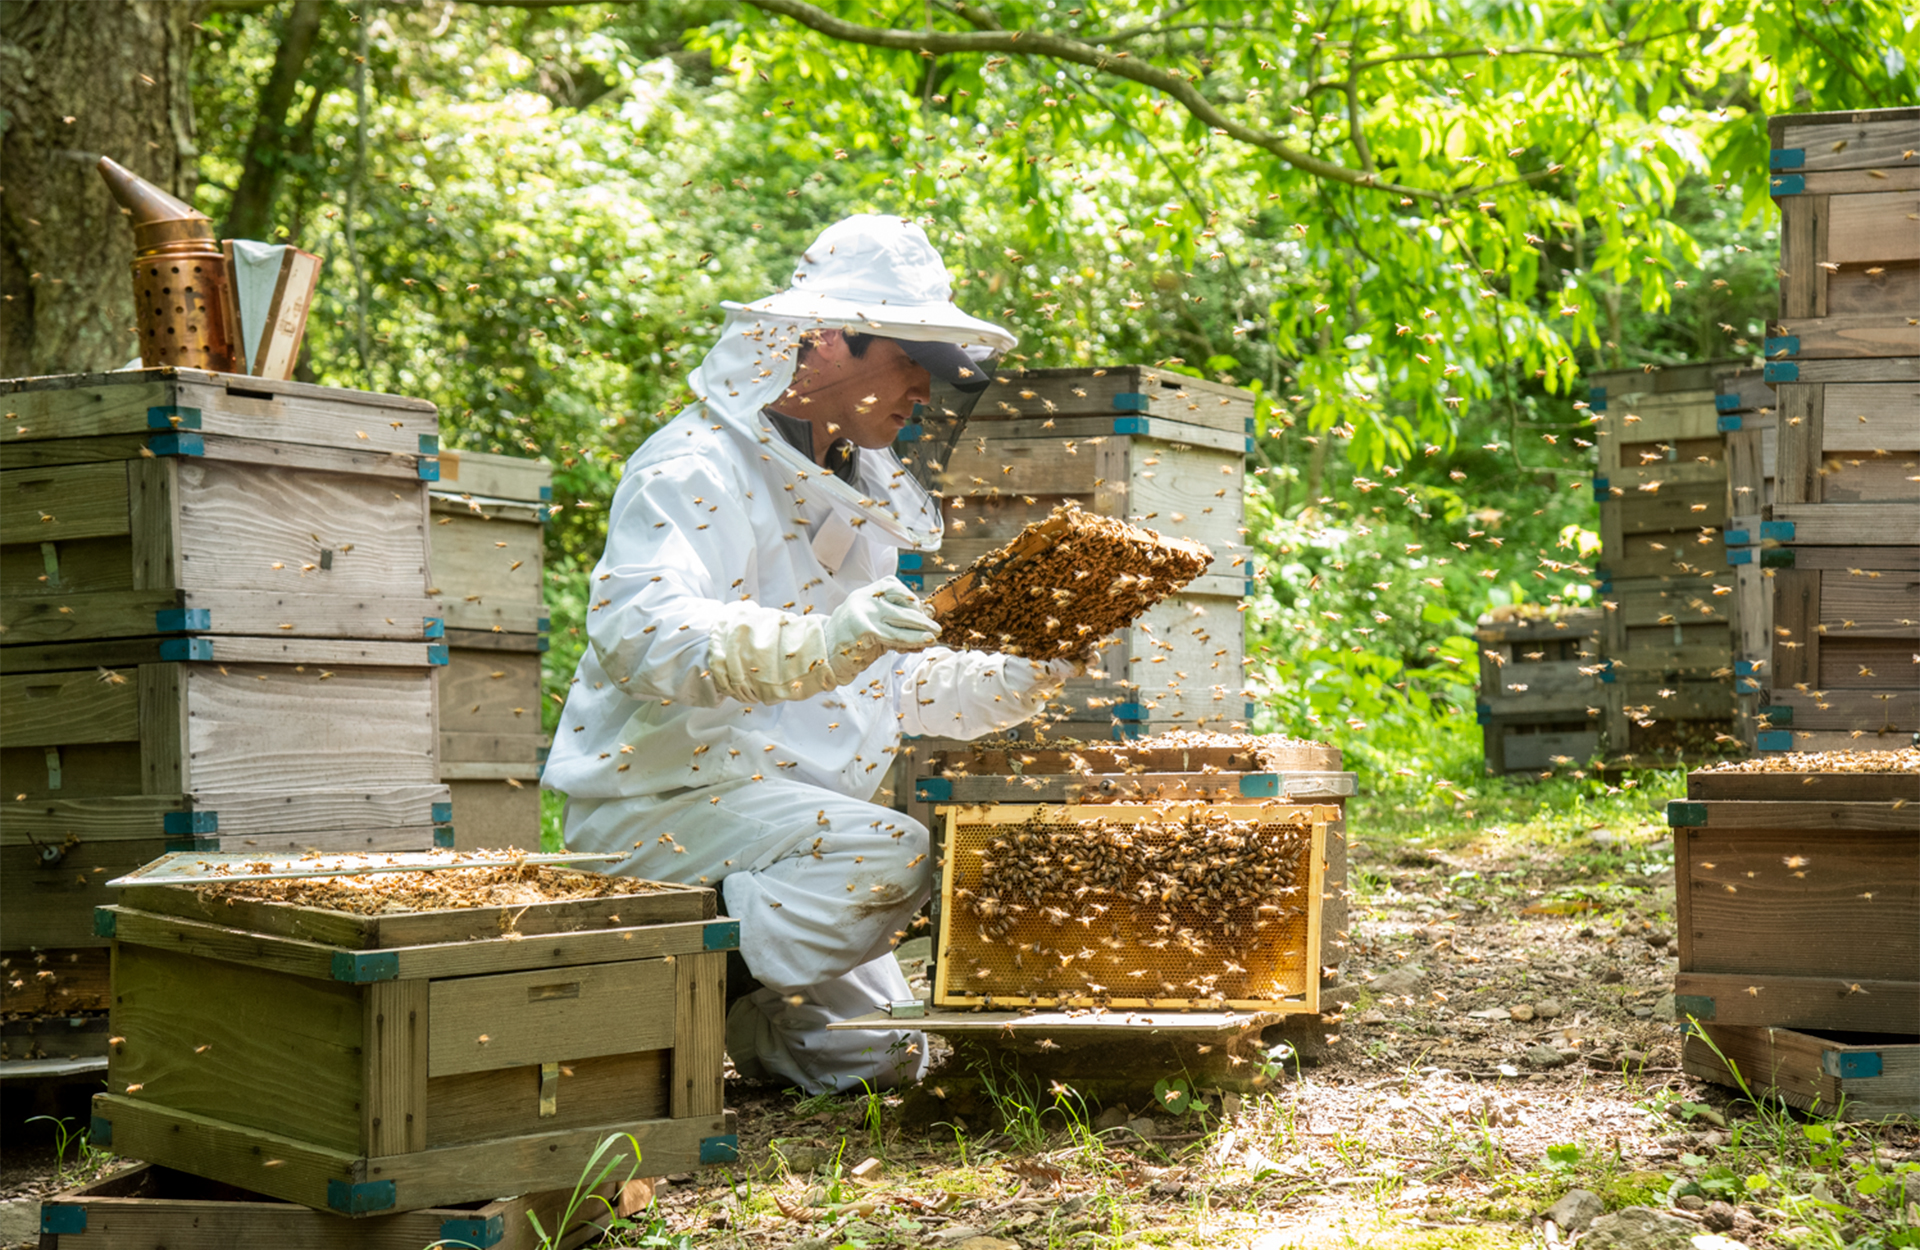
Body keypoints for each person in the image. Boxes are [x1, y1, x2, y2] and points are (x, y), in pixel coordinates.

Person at [542, 215, 1074, 1095]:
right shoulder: (694, 467)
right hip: (669, 812)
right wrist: (823, 642)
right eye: (916, 361)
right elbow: (640, 634)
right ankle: (637, 990)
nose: (929, 394)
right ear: (826, 340)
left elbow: (886, 685)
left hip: (785, 841)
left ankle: (732, 994)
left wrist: (1018, 678)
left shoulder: (851, 488)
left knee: (883, 1061)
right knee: (891, 855)